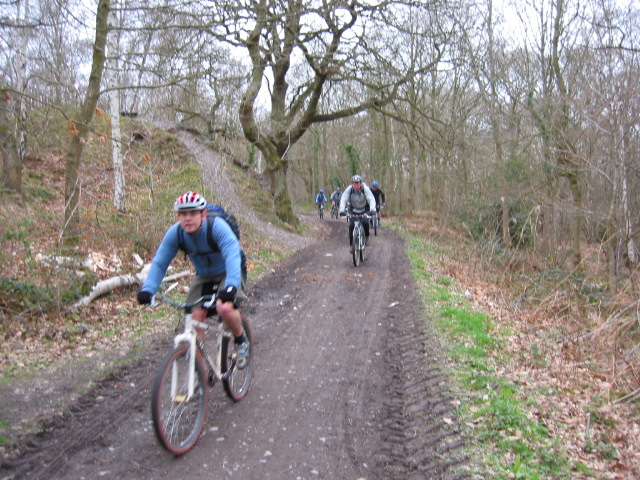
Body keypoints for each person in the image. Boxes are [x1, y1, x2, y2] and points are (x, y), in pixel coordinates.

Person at [136, 191, 250, 368]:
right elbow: (160, 262)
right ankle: (199, 372)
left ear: (202, 214)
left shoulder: (217, 227)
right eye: (183, 214)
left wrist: (230, 286)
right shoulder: (176, 233)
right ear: (178, 216)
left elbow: (232, 255)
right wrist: (148, 289)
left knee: (225, 307)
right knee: (195, 318)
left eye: (192, 213)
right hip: (204, 275)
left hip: (229, 271)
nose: (187, 218)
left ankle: (241, 340)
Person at [338, 175, 376, 253]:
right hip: (353, 209)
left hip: (365, 209)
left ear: (360, 183)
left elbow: (371, 199)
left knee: (365, 222)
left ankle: (366, 237)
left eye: (357, 184)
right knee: (351, 225)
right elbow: (343, 199)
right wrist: (342, 210)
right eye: (354, 184)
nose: (356, 186)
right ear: (352, 184)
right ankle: (352, 245)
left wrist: (372, 209)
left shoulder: (365, 189)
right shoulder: (349, 189)